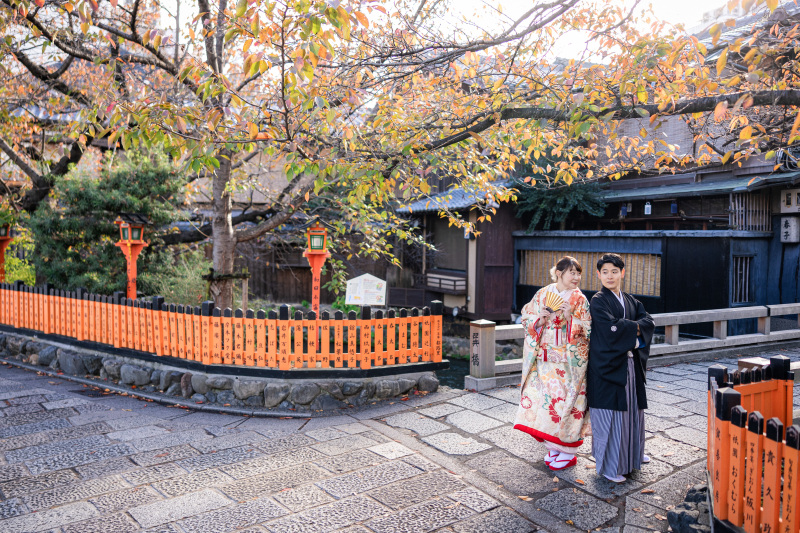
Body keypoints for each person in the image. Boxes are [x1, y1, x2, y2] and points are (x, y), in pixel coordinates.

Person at [514, 256, 592, 471]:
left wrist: (571, 319)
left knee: (566, 404)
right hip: (544, 361)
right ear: (559, 273)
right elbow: (526, 316)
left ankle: (567, 451)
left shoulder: (580, 299)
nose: (576, 277)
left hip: (568, 364)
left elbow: (588, 329)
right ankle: (553, 447)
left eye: (578, 273)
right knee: (547, 404)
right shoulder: (542, 294)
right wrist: (538, 320)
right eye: (572, 273)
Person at [587, 253, 655, 483]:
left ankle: (633, 454)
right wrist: (635, 333)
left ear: (622, 273)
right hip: (607, 367)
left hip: (629, 365)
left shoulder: (630, 300)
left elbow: (649, 321)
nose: (610, 276)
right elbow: (609, 330)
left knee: (633, 410)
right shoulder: (598, 301)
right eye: (605, 272)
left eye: (614, 271)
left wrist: (629, 330)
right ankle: (609, 466)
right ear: (599, 275)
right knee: (611, 417)